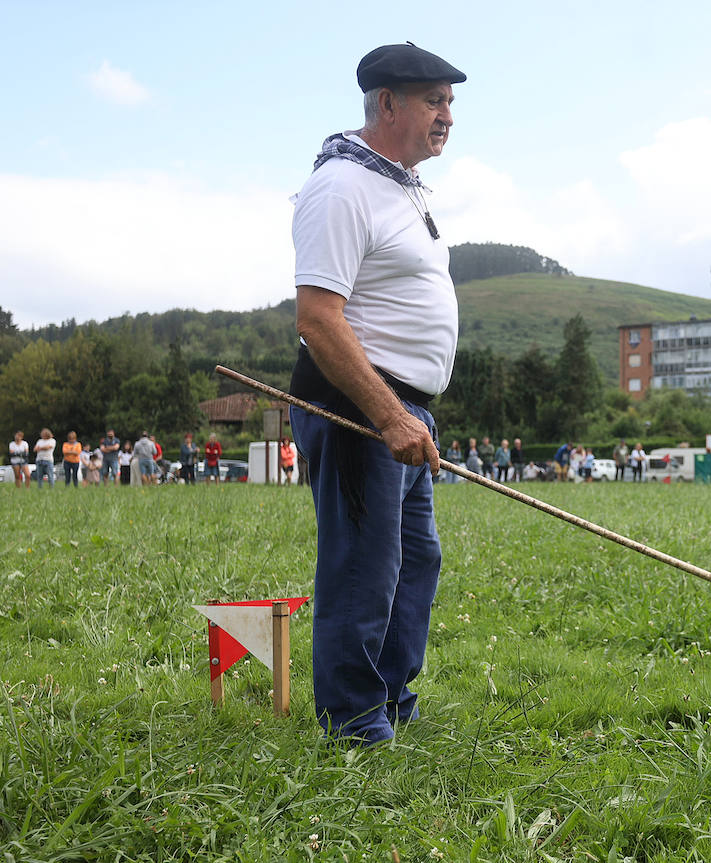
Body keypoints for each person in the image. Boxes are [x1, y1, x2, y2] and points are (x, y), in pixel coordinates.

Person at [288, 42, 463, 745]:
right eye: (432, 100)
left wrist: (412, 409)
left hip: (403, 408)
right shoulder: (341, 186)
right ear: (386, 103)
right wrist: (389, 413)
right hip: (358, 405)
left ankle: (389, 695)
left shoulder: (398, 185)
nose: (446, 114)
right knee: (365, 563)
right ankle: (354, 717)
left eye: (450, 102)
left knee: (415, 558)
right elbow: (318, 319)